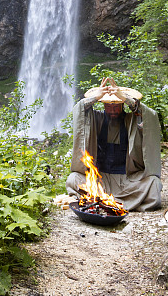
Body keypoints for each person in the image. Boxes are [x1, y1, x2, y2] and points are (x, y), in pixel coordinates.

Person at [66, 78, 162, 211]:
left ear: (122, 105)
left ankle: (102, 202)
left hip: (128, 180)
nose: (112, 110)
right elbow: (80, 109)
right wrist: (97, 96)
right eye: (108, 106)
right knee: (73, 179)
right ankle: (105, 201)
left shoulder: (131, 120)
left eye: (116, 106)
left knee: (154, 184)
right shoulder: (97, 119)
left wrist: (125, 98)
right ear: (103, 105)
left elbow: (148, 115)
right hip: (100, 179)